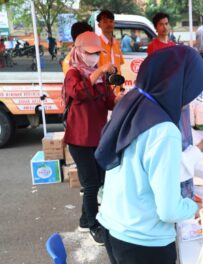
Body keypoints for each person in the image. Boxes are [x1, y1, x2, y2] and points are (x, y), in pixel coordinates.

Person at [94, 46, 203, 263]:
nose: (190, 100)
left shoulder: (133, 102)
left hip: (114, 226)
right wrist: (197, 208)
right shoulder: (164, 130)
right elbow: (169, 210)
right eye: (192, 90)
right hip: (143, 242)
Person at [63, 31, 124, 245]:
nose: (94, 57)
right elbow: (79, 93)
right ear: (78, 51)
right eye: (90, 53)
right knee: (90, 184)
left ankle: (83, 219)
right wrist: (98, 71)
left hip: (97, 138)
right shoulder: (74, 74)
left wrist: (120, 99)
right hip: (79, 140)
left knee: (99, 180)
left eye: (97, 53)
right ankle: (92, 224)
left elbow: (108, 101)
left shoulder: (98, 77)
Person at [96, 10, 124, 76]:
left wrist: (121, 86)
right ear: (99, 25)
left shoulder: (116, 43)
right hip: (102, 85)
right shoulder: (96, 43)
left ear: (114, 23)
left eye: (111, 21)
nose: (109, 24)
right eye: (105, 22)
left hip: (116, 85)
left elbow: (119, 68)